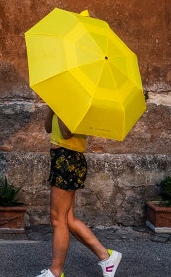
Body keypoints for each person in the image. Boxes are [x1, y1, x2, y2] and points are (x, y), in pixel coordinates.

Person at [36, 107, 122, 277]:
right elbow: (48, 128)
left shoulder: (75, 104)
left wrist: (62, 105)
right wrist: (52, 107)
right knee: (67, 218)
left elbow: (67, 132)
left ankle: (55, 271)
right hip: (61, 158)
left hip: (68, 159)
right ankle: (106, 257)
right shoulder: (64, 102)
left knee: (57, 219)